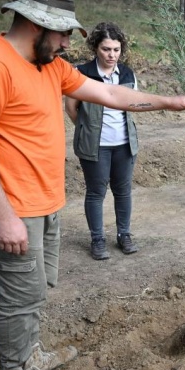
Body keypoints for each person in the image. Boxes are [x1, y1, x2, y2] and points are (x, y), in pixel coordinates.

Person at [0, 0, 185, 370]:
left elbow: (107, 93)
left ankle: (29, 353)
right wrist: (5, 215)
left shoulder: (49, 65)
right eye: (64, 33)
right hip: (14, 206)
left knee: (35, 289)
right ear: (35, 25)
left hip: (44, 201)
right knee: (20, 294)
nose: (71, 42)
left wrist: (167, 102)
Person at [65, 23, 141, 261]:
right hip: (95, 146)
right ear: (96, 48)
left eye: (116, 50)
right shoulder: (82, 73)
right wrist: (88, 129)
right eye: (106, 49)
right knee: (96, 192)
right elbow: (71, 108)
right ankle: (97, 239)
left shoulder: (127, 74)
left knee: (123, 191)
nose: (112, 55)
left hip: (124, 145)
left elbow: (134, 104)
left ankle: (124, 235)